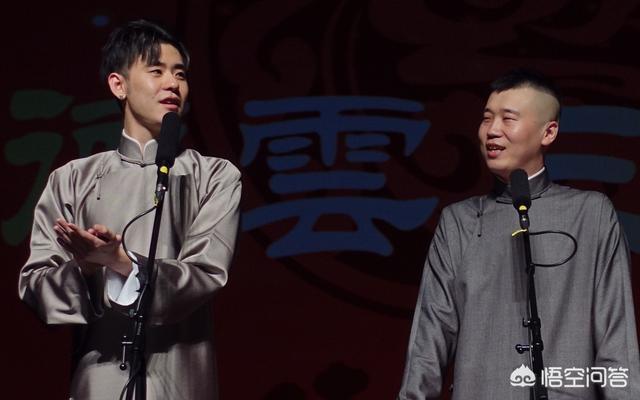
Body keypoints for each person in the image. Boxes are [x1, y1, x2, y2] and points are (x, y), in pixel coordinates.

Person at [18, 20, 241, 399]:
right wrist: (87, 269)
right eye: (156, 71)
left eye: (180, 74)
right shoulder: (71, 179)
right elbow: (35, 286)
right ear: (118, 85)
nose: (173, 84)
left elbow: (206, 273)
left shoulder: (214, 175)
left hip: (179, 381)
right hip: (98, 382)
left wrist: (122, 262)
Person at [398, 69, 640, 399]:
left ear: (548, 132)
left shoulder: (591, 214)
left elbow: (617, 341)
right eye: (487, 118)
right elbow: (428, 344)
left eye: (508, 119)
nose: (492, 130)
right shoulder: (459, 221)